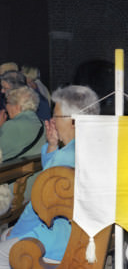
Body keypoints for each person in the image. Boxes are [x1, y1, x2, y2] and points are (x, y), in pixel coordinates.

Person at [0, 85, 100, 267]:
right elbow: (53, 180)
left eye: (56, 116)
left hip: (58, 241)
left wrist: (15, 233)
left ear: (73, 120)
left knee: (3, 251)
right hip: (80, 233)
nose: (52, 120)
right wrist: (53, 145)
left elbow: (38, 207)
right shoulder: (85, 148)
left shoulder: (65, 158)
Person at [0, 86, 46, 161]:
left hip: (12, 171)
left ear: (17, 106)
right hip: (35, 170)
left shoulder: (12, 126)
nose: (5, 107)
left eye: (7, 103)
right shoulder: (42, 124)